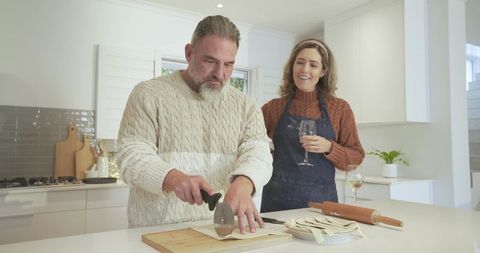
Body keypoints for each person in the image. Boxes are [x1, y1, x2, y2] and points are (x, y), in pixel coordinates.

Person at [117, 15, 272, 233]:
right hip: (155, 231)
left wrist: (244, 182)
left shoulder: (246, 106)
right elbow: (131, 156)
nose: (220, 74)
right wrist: (173, 178)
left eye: (228, 64)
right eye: (210, 61)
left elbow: (259, 153)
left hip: (219, 232)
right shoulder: (148, 94)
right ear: (189, 53)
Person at [260, 38, 365, 213]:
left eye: (313, 65)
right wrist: (268, 153)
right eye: (299, 62)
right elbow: (248, 141)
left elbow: (355, 159)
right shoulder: (274, 108)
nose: (304, 70)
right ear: (292, 66)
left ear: (323, 71)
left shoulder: (339, 109)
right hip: (277, 206)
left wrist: (330, 147)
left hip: (322, 206)